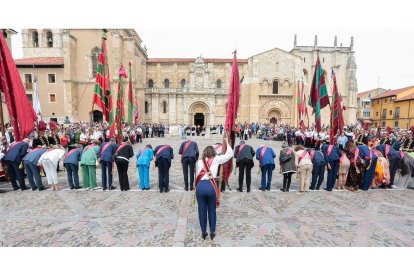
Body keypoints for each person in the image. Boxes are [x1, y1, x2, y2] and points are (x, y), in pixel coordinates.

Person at [194, 136, 233, 240]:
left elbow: (196, 175)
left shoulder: (198, 162)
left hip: (200, 187)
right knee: (212, 210)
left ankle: (203, 232)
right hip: (211, 186)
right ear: (213, 152)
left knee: (201, 210)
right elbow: (230, 154)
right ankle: (212, 232)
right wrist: (227, 143)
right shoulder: (216, 159)